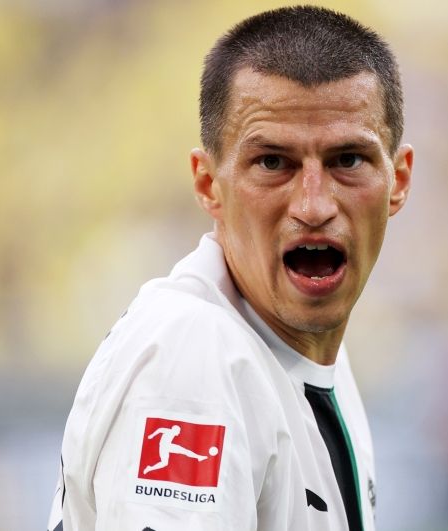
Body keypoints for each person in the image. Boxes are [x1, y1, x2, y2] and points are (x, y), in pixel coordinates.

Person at [46, 6, 413, 530]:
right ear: (208, 185)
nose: (313, 205)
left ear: (398, 180)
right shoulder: (194, 355)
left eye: (347, 160)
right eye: (272, 162)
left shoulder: (309, 357)